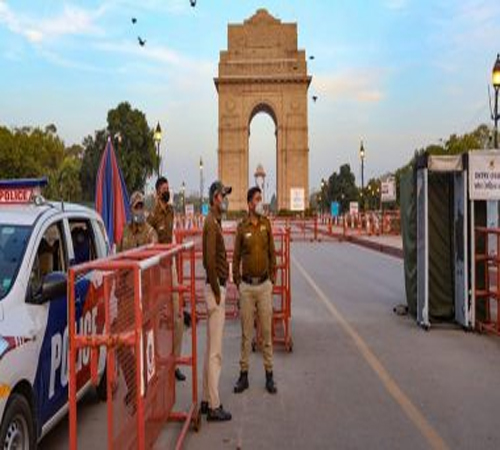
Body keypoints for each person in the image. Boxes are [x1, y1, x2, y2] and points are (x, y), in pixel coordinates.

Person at [233, 186, 277, 395]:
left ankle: (269, 375)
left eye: (261, 198)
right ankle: (244, 376)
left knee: (266, 333)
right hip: (247, 288)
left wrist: (272, 280)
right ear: (250, 203)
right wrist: (238, 282)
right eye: (257, 199)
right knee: (246, 334)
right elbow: (235, 257)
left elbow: (272, 254)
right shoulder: (242, 227)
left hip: (264, 286)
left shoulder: (266, 224)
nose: (260, 202)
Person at [117, 191, 157, 412]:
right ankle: (134, 385)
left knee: (144, 345)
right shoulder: (125, 232)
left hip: (145, 296)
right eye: (136, 207)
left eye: (142, 206)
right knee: (120, 342)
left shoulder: (150, 233)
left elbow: (153, 265)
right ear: (131, 209)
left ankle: (143, 392)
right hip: (126, 296)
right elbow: (119, 260)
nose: (139, 210)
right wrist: (118, 287)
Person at [148, 176, 186, 382]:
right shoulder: (152, 217)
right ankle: (154, 362)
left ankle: (174, 362)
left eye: (168, 188)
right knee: (155, 318)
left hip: (170, 267)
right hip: (157, 269)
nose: (167, 192)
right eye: (164, 189)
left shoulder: (171, 211)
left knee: (178, 317)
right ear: (157, 193)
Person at [200, 181, 232, 422]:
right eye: (222, 195)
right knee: (216, 353)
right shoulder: (211, 224)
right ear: (214, 198)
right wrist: (217, 290)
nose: (225, 199)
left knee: (210, 349)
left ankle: (205, 399)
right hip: (215, 289)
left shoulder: (214, 221)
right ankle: (214, 404)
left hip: (215, 287)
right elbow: (209, 261)